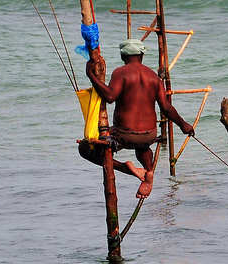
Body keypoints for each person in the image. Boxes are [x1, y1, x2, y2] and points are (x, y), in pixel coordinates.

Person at [79, 38, 194, 199]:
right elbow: (166, 108)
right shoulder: (154, 77)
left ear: (122, 56)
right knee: (143, 147)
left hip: (124, 135)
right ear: (142, 54)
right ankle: (148, 171)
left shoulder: (120, 73)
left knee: (85, 149)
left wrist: (91, 75)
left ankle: (126, 168)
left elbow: (110, 96)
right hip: (149, 135)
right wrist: (184, 125)